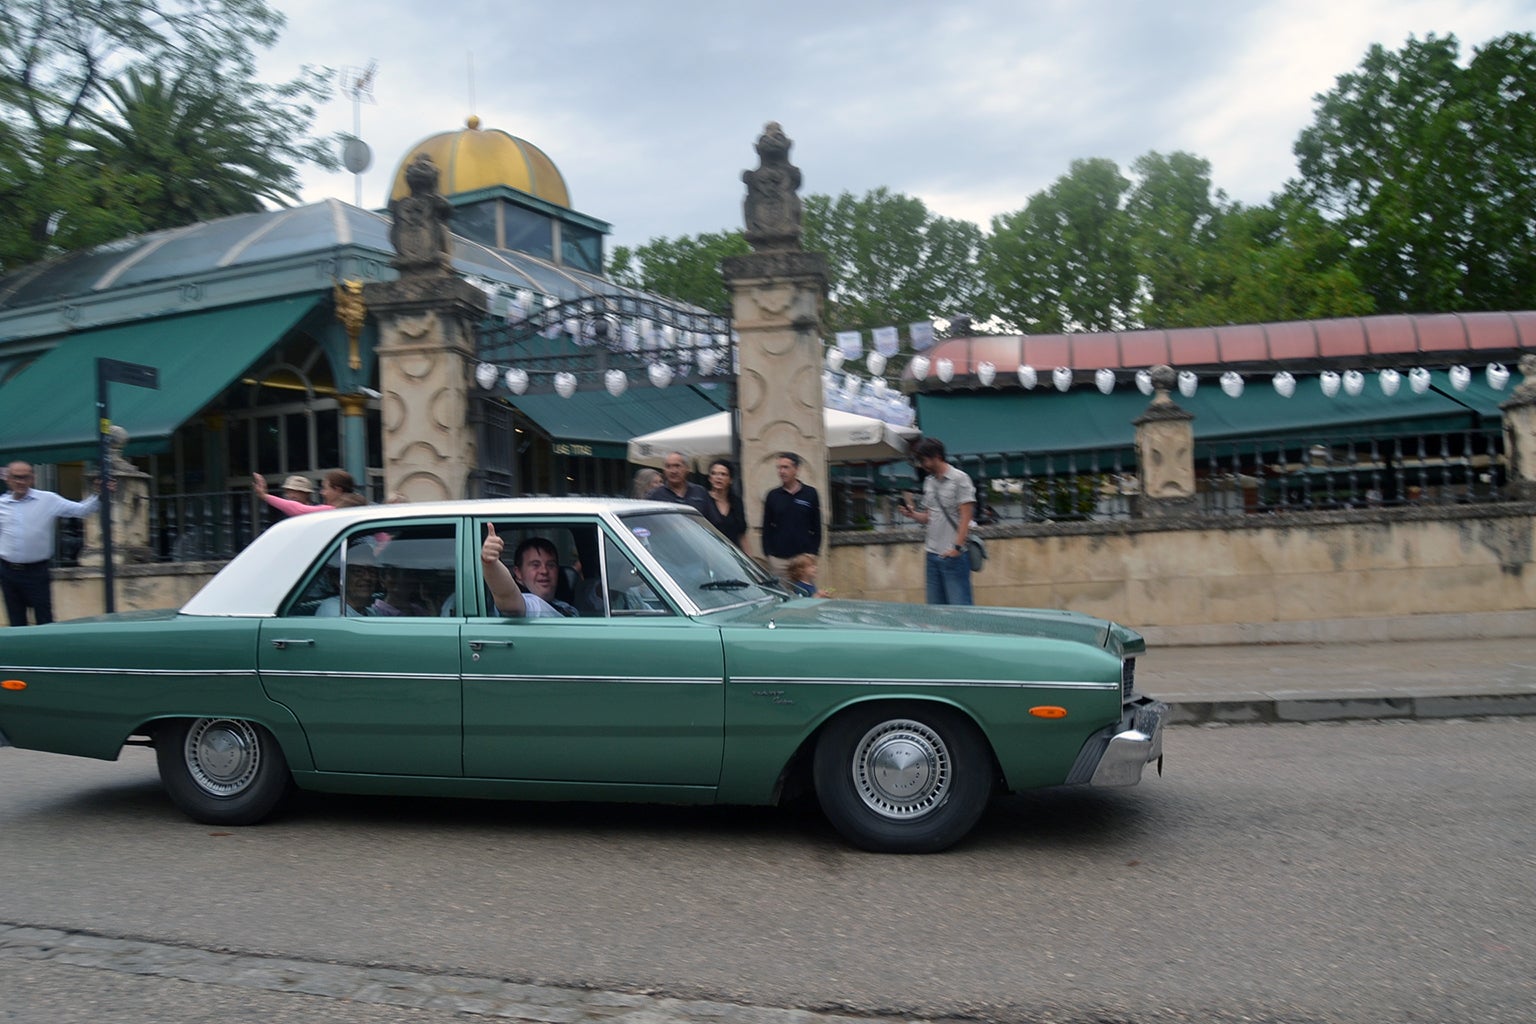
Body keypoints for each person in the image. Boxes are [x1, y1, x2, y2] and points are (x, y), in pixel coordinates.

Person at [0, 461, 103, 626]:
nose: (20, 482)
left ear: (32, 478)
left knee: (44, 620)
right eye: (16, 477)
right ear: (8, 479)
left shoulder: (47, 499)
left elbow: (81, 510)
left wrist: (100, 495)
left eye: (25, 477)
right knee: (16, 622)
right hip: (8, 572)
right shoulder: (1, 504)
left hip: (36, 571)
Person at [896, 436, 976, 605]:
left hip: (954, 556)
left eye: (924, 459)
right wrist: (912, 514)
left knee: (960, 610)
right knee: (935, 612)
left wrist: (956, 548)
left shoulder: (960, 479)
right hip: (932, 554)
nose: (922, 464)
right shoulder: (929, 482)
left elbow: (966, 517)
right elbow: (929, 517)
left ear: (937, 456)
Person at [480, 524, 578, 618]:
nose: (544, 571)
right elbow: (508, 600)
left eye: (550, 565)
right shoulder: (530, 605)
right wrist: (490, 563)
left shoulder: (566, 607)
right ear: (518, 573)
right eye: (535, 565)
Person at [761, 451, 821, 584]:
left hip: (803, 560)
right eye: (779, 467)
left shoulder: (810, 494)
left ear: (796, 469)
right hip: (779, 560)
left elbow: (816, 526)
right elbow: (766, 528)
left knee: (806, 598)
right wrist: (768, 554)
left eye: (785, 467)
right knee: (784, 598)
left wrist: (813, 552)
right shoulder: (773, 495)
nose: (781, 471)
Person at [254, 469, 360, 516]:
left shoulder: (335, 511)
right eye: (288, 491)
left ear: (338, 490)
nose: (322, 493)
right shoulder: (361, 508)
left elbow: (297, 509)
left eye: (325, 488)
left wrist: (264, 496)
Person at [702, 459, 747, 550]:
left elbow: (742, 535)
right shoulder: (704, 500)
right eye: (714, 473)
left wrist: (749, 558)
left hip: (733, 553)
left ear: (730, 480)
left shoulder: (736, 502)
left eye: (723, 474)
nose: (718, 477)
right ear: (710, 478)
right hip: (709, 552)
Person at [646, 452, 710, 513]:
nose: (673, 471)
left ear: (687, 469)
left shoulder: (700, 492)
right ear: (664, 470)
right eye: (668, 466)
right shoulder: (655, 495)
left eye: (677, 466)